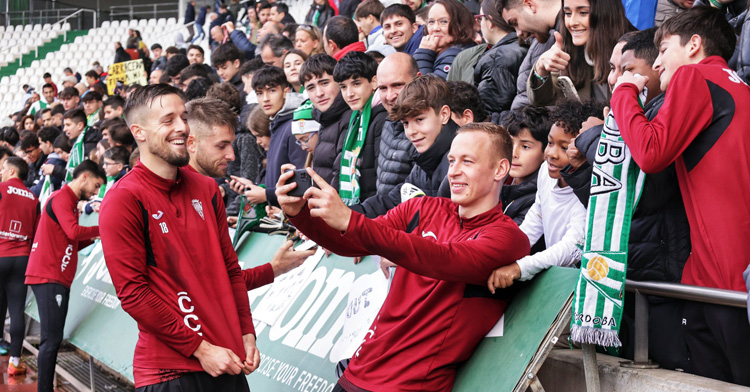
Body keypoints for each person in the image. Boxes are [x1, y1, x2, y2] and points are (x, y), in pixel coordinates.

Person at [275, 121, 529, 392]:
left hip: (410, 385)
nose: (453, 171)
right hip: (357, 373)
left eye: (468, 162)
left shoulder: (508, 238)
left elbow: (444, 259)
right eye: (451, 160)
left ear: (500, 169)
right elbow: (351, 244)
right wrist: (299, 214)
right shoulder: (421, 207)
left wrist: (351, 220)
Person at [612, 7, 750, 385]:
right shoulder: (737, 83)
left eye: (662, 49)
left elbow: (651, 152)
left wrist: (625, 91)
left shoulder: (695, 75)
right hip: (721, 268)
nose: (656, 64)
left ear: (694, 45)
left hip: (723, 275)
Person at [99, 85, 260, 391]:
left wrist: (246, 332)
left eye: (183, 117)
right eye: (167, 119)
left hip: (226, 360)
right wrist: (200, 348)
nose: (181, 127)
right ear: (139, 132)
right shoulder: (124, 198)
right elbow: (133, 293)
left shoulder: (207, 188)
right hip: (171, 371)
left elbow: (230, 270)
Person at [487, 99, 590, 291]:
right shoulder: (546, 172)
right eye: (550, 143)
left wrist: (520, 267)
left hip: (578, 284)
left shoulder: (586, 190)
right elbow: (534, 221)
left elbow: (572, 247)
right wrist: (501, 253)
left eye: (565, 147)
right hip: (556, 279)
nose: (552, 154)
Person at [26, 159, 104, 392]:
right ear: (84, 177)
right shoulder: (62, 198)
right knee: (51, 340)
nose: (96, 192)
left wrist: (94, 239)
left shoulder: (69, 201)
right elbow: (73, 231)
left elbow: (70, 239)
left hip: (56, 277)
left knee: (52, 339)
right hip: (49, 276)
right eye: (97, 185)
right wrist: (104, 229)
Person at [352, 74, 459, 218]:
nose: (411, 132)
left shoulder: (459, 162)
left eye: (419, 119)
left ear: (444, 114)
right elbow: (392, 201)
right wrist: (343, 214)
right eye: (406, 123)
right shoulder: (423, 162)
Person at [527, 0, 633, 106]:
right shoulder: (567, 50)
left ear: (607, 13)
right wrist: (541, 69)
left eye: (583, 12)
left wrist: (601, 123)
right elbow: (543, 101)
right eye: (568, 13)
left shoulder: (636, 52)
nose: (572, 22)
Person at [0, 157, 40, 376]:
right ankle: (15, 361)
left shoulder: (1, 189)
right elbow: (36, 234)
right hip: (22, 258)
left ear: (13, 171)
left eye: (3, 169)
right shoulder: (34, 198)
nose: (1, 173)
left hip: (1, 253)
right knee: (17, 309)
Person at [333, 52, 388, 205]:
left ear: (374, 82)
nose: (349, 94)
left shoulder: (382, 118)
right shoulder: (355, 118)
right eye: (343, 87)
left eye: (356, 84)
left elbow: (382, 178)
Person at [250, 66, 308, 206]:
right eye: (259, 93)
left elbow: (302, 180)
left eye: (272, 91)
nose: (265, 99)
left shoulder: (295, 125)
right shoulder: (277, 123)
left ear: (285, 92)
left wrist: (267, 195)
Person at [298, 54, 352, 189]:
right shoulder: (324, 118)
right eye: (311, 88)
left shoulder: (351, 117)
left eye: (324, 83)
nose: (319, 93)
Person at [470, 0, 526, 118]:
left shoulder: (497, 58)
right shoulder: (525, 45)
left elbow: (488, 112)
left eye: (480, 18)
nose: (480, 24)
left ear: (490, 22)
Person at [374, 53, 420, 196]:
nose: (389, 96)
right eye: (382, 88)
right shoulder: (388, 122)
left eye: (397, 85)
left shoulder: (429, 131)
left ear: (418, 79)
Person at [413, 0, 476, 79]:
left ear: (461, 24)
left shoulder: (454, 55)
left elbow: (430, 90)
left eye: (444, 22)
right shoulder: (444, 51)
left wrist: (423, 55)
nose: (435, 28)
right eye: (431, 22)